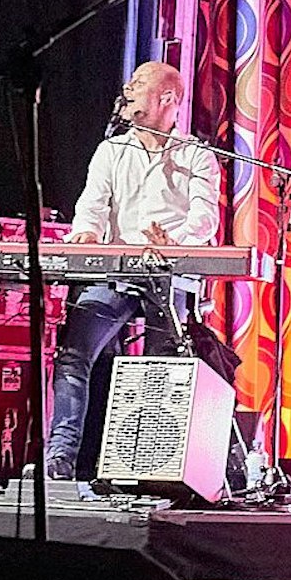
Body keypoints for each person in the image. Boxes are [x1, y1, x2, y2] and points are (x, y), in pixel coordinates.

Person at [43, 61, 221, 481]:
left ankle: (155, 464)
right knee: (73, 355)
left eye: (138, 84)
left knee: (165, 367)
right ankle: (60, 458)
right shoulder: (112, 150)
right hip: (118, 272)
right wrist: (86, 233)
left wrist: (175, 245)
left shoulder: (195, 154)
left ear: (167, 99)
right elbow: (92, 206)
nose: (127, 89)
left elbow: (206, 216)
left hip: (169, 273)